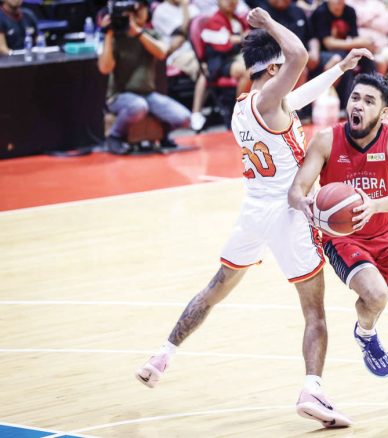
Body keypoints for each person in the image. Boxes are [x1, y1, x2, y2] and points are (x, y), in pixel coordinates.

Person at [135, 7, 373, 428]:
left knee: (215, 287)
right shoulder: (269, 97)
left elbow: (300, 94)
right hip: (289, 212)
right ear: (275, 67)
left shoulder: (247, 106)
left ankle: (161, 356)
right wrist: (268, 25)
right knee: (314, 311)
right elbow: (298, 55)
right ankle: (313, 389)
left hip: (253, 211)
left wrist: (341, 68)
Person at [288, 74, 388, 419]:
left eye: (368, 101)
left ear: (383, 112)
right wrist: (304, 203)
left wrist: (374, 204)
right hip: (345, 239)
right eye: (355, 98)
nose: (358, 105)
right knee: (374, 295)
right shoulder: (327, 140)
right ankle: (366, 331)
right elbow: (297, 189)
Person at [98, 0, 192, 154]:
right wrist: (108, 34)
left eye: (142, 9)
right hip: (119, 96)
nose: (140, 13)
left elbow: (161, 53)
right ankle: (114, 137)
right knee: (138, 106)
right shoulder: (116, 37)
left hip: (147, 95)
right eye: (135, 11)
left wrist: (138, 33)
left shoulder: (149, 34)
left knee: (185, 118)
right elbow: (104, 68)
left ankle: (162, 135)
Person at [151, 0, 208, 132]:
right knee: (205, 69)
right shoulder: (161, 11)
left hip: (200, 50)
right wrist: (184, 7)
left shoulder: (193, 7)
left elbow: (203, 29)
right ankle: (196, 114)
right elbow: (184, 31)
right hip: (177, 54)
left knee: (216, 64)